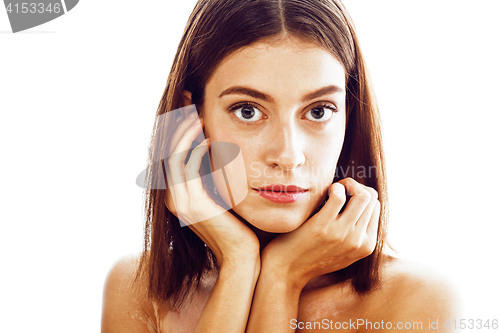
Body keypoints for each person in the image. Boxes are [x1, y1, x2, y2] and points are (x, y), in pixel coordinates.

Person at [101, 0, 460, 331]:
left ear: (347, 117)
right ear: (192, 119)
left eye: (319, 111)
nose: (288, 156)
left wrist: (281, 275)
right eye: (248, 111)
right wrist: (238, 262)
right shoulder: (140, 289)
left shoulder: (417, 300)